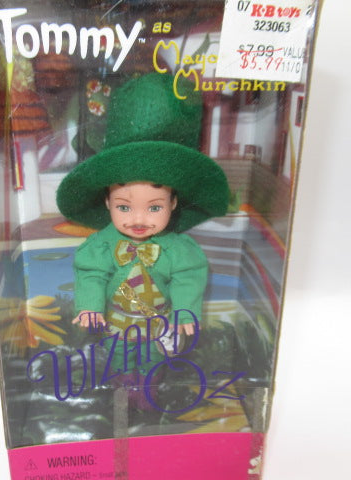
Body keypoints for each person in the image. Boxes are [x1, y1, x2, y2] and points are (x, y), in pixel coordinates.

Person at [56, 73, 229, 409]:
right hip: (117, 324)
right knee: (118, 358)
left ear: (173, 203)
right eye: (124, 207)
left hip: (157, 325)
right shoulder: (102, 245)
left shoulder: (178, 249)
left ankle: (149, 391)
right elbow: (90, 272)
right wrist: (90, 305)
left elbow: (188, 276)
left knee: (153, 359)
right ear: (107, 201)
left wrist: (184, 312)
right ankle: (121, 391)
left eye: (154, 207)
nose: (138, 219)